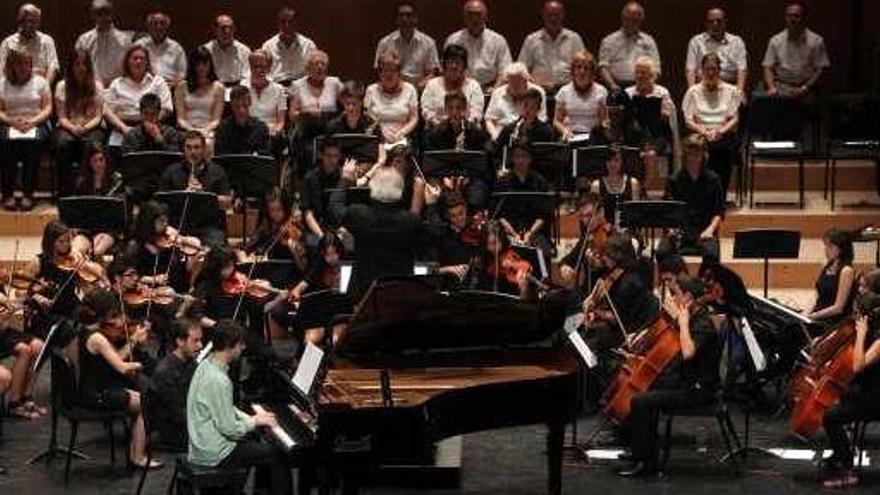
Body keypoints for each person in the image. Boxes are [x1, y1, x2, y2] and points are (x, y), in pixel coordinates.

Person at [617, 274, 724, 477]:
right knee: (643, 386)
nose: (673, 300)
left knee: (641, 401)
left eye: (676, 295)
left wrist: (683, 324)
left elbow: (688, 352)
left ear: (688, 298)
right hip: (685, 381)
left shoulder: (703, 324)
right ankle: (640, 449)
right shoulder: (693, 316)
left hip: (698, 390)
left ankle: (645, 463)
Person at [186, 320, 291, 495]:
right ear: (229, 346)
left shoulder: (207, 364)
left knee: (259, 444)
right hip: (214, 453)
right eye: (241, 344)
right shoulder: (219, 380)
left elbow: (225, 407)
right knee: (279, 454)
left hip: (202, 443)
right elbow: (230, 430)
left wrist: (252, 418)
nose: (243, 348)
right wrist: (254, 421)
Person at [78, 289, 159, 469]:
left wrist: (133, 342)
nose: (117, 318)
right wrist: (138, 363)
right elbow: (122, 367)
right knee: (146, 403)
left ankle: (135, 449)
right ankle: (137, 456)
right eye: (113, 313)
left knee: (143, 398)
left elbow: (116, 358)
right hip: (97, 393)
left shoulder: (85, 330)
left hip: (94, 386)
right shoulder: (98, 338)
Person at [343, 166, 432, 299]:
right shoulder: (412, 221)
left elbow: (335, 211)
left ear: (372, 188)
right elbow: (430, 242)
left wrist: (347, 183)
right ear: (400, 190)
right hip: (399, 296)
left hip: (364, 295)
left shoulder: (357, 214)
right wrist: (432, 206)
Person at [820, 292, 880, 488]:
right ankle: (841, 453)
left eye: (857, 314)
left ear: (867, 318)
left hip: (876, 399)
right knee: (839, 398)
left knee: (830, 417)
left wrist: (861, 334)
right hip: (867, 391)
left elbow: (857, 366)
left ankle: (848, 470)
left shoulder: (878, 340)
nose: (854, 318)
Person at [682, 53, 740, 197]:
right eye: (707, 69)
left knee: (723, 149)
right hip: (700, 131)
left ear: (719, 70)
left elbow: (734, 118)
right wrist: (703, 131)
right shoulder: (693, 91)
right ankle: (699, 194)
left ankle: (719, 196)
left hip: (723, 131)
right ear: (702, 70)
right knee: (698, 146)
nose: (710, 72)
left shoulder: (731, 90)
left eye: (714, 69)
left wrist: (720, 131)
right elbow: (688, 120)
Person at [0, 47, 52, 211]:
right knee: (6, 142)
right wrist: (12, 121)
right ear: (12, 65)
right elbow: (0, 110)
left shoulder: (40, 82)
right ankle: (7, 193)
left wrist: (32, 122)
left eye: (27, 63)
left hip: (36, 122)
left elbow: (47, 108)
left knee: (33, 144)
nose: (24, 67)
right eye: (19, 63)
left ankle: (28, 194)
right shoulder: (2, 83)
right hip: (10, 122)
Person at [54, 49, 106, 197]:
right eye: (77, 64)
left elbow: (98, 117)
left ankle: (88, 190)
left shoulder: (97, 86)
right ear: (71, 66)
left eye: (84, 64)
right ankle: (65, 192)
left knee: (92, 144)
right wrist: (73, 128)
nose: (81, 68)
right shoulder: (61, 86)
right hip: (68, 125)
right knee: (63, 144)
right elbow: (62, 117)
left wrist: (85, 128)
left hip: (92, 126)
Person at [664, 134, 724, 261]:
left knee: (711, 254)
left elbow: (718, 212)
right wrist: (672, 229)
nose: (692, 159)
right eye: (689, 155)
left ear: (703, 156)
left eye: (696, 155)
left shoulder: (713, 180)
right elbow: (668, 210)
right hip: (681, 230)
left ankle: (705, 280)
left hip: (704, 231)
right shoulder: (674, 180)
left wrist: (710, 230)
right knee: (662, 253)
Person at [149, 319, 203, 451]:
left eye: (200, 340)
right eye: (195, 341)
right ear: (180, 341)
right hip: (176, 433)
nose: (200, 345)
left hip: (189, 422)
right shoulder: (165, 372)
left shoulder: (191, 363)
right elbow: (178, 413)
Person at [494, 142, 553, 256]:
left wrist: (529, 234)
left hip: (535, 231)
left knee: (543, 252)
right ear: (512, 158)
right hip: (508, 230)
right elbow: (498, 214)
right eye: (517, 156)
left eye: (524, 156)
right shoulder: (503, 181)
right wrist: (514, 234)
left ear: (530, 159)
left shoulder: (540, 181)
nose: (520, 160)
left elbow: (544, 215)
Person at [104, 45, 173, 141]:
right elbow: (107, 111)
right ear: (127, 62)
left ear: (147, 62)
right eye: (135, 58)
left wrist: (150, 124)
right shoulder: (117, 84)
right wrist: (123, 128)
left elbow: (167, 109)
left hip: (154, 126)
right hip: (123, 128)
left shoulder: (158, 82)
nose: (138, 61)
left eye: (142, 59)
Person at [762, 2, 830, 99]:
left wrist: (805, 87)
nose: (792, 19)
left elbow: (821, 69)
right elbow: (767, 67)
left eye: (796, 16)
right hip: (782, 85)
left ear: (803, 18)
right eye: (789, 16)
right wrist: (771, 87)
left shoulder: (816, 40)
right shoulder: (775, 40)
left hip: (807, 86)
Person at [517, 0, 585, 92]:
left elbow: (584, 68)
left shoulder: (574, 39)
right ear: (543, 16)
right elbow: (521, 70)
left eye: (557, 15)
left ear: (563, 15)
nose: (553, 19)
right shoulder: (531, 40)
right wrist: (536, 84)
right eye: (549, 15)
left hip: (569, 91)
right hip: (537, 91)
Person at [625, 55, 676, 176]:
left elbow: (668, 116)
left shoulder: (662, 92)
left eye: (643, 73)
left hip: (657, 135)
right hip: (634, 135)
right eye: (637, 72)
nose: (639, 76)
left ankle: (660, 187)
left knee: (656, 145)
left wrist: (660, 112)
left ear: (652, 75)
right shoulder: (628, 92)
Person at [444, 0, 512, 88]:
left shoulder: (498, 41)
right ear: (464, 17)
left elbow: (505, 71)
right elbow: (446, 70)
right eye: (470, 14)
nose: (474, 19)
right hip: (460, 89)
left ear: (486, 17)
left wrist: (495, 91)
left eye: (478, 14)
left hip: (491, 88)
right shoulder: (453, 40)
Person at [159, 130, 232, 211]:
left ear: (203, 149)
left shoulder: (217, 171)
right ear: (183, 149)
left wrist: (204, 196)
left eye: (196, 147)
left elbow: (227, 203)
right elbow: (161, 201)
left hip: (208, 221)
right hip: (179, 221)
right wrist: (182, 196)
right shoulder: (171, 171)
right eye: (188, 147)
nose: (192, 152)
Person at [300, 139, 351, 253]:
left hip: (339, 228)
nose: (332, 160)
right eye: (328, 156)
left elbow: (350, 208)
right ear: (321, 155)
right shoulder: (309, 179)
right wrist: (322, 237)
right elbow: (308, 214)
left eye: (335, 156)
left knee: (351, 243)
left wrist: (343, 230)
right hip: (317, 229)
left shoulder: (344, 177)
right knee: (312, 243)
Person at [374, 0, 439, 90]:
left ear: (415, 18)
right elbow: (378, 71)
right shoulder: (385, 43)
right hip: (391, 88)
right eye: (401, 15)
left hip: (419, 89)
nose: (404, 19)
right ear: (396, 20)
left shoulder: (428, 43)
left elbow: (432, 73)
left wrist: (418, 87)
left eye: (409, 15)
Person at [598, 1, 661, 92]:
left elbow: (656, 69)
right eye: (628, 19)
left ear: (641, 20)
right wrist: (612, 86)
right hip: (616, 87)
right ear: (622, 19)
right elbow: (603, 67)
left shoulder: (649, 41)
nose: (631, 23)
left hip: (643, 88)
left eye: (635, 21)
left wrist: (647, 85)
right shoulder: (609, 41)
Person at [686, 7, 748, 96]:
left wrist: (739, 91)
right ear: (706, 24)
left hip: (730, 87)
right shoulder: (696, 41)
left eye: (719, 21)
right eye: (711, 21)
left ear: (725, 22)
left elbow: (742, 69)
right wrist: (691, 91)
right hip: (703, 87)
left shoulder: (737, 41)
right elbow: (690, 69)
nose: (715, 24)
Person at [365, 49, 419, 147]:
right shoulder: (371, 90)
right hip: (377, 138)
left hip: (401, 138)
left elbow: (414, 118)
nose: (388, 75)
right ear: (379, 73)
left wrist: (401, 133)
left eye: (392, 70)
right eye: (385, 70)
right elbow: (367, 118)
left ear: (399, 72)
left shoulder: (410, 89)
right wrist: (381, 134)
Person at [174, 47, 224, 153]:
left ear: (210, 65)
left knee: (207, 143)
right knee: (191, 144)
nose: (201, 68)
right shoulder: (181, 87)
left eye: (205, 64)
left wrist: (204, 131)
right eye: (198, 64)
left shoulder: (218, 87)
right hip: (186, 129)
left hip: (208, 130)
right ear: (192, 66)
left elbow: (216, 120)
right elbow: (181, 119)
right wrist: (193, 130)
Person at [421, 44, 485, 126]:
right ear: (444, 65)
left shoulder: (473, 86)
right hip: (438, 130)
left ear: (464, 66)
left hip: (466, 129)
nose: (454, 66)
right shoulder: (432, 85)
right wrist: (442, 125)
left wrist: (462, 125)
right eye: (450, 62)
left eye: (458, 63)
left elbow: (477, 113)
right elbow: (427, 112)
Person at [74, 0, 134, 87]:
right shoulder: (84, 40)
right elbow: (78, 66)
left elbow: (130, 67)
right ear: (93, 16)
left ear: (112, 14)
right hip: (91, 88)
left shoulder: (125, 40)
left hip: (119, 88)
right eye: (99, 14)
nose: (103, 17)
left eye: (106, 13)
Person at [554, 49, 608, 142]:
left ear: (592, 72)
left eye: (586, 68)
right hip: (570, 135)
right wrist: (564, 130)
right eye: (578, 67)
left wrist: (600, 128)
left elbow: (604, 121)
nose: (582, 72)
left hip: (593, 137)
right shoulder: (563, 91)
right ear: (573, 70)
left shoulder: (601, 91)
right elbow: (557, 121)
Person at [485, 62, 547, 142]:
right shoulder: (497, 93)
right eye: (511, 83)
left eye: (517, 84)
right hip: (501, 135)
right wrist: (495, 136)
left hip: (529, 135)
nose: (514, 87)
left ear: (525, 80)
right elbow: (489, 119)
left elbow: (542, 118)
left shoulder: (538, 92)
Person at [806, 227, 856, 327]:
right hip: (819, 315)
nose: (826, 250)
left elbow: (838, 307)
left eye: (830, 246)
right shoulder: (826, 266)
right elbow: (819, 297)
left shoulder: (846, 271)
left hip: (833, 322)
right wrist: (807, 314)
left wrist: (813, 316)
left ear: (841, 248)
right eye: (825, 245)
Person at [244, 49, 288, 160]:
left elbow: (281, 122)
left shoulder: (279, 89)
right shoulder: (243, 88)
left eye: (263, 67)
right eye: (255, 66)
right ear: (250, 67)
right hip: (249, 132)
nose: (259, 70)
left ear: (269, 68)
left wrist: (275, 132)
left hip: (271, 134)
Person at [0, 3, 58, 84]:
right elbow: (1, 68)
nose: (34, 25)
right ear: (20, 21)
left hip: (39, 88)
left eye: (37, 21)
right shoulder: (7, 43)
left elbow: (53, 66)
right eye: (30, 21)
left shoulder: (47, 41)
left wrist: (45, 87)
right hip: (14, 88)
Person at [261, 5, 316, 86]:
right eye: (283, 22)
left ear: (297, 23)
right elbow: (263, 72)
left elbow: (313, 71)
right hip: (276, 87)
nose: (287, 26)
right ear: (278, 24)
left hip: (301, 87)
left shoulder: (308, 45)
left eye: (291, 22)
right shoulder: (268, 46)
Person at [590, 145, 642, 226]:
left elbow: (636, 214)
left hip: (627, 230)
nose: (612, 164)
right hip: (604, 232)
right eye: (609, 160)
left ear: (622, 162)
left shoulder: (633, 183)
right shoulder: (596, 185)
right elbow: (594, 216)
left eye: (616, 160)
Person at [214, 85, 271, 156]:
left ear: (250, 103)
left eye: (245, 105)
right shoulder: (223, 128)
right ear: (231, 106)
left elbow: (264, 156)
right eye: (237, 106)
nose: (242, 111)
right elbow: (220, 156)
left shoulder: (261, 128)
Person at [137, 9, 186, 86]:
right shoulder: (139, 45)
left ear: (167, 26)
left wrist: (173, 84)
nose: (158, 27)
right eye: (155, 23)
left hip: (170, 87)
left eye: (162, 23)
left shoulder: (176, 48)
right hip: (144, 86)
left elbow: (182, 72)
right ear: (148, 26)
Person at [203, 14, 251, 87]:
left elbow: (247, 76)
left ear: (234, 30)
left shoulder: (244, 50)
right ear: (215, 30)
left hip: (238, 90)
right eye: (223, 28)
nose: (227, 31)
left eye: (230, 28)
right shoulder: (206, 50)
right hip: (213, 89)